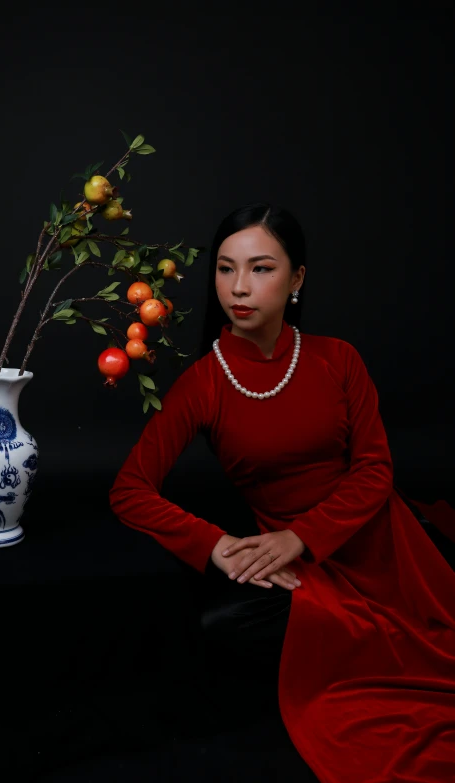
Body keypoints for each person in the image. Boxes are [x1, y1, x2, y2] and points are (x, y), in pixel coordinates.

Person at [109, 202, 455, 783]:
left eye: (260, 269)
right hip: (300, 571)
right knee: (220, 627)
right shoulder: (204, 382)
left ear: (296, 279)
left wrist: (302, 536)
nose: (238, 288)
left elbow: (375, 471)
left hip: (377, 540)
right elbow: (129, 490)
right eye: (225, 269)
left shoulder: (338, 359)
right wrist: (215, 544)